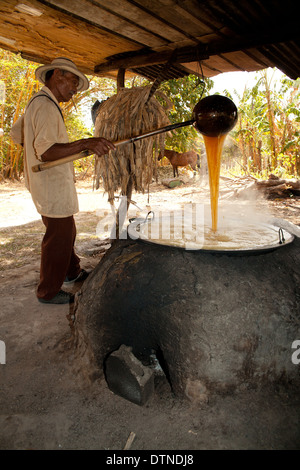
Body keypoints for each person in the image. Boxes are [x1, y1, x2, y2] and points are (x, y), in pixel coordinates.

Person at [20, 57, 115, 304]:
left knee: (66, 230)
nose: (74, 89)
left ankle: (72, 273)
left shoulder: (37, 102)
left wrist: (31, 147)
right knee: (58, 236)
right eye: (73, 82)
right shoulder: (46, 106)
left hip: (46, 182)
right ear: (58, 75)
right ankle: (47, 292)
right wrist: (86, 143)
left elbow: (16, 134)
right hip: (50, 184)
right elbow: (48, 151)